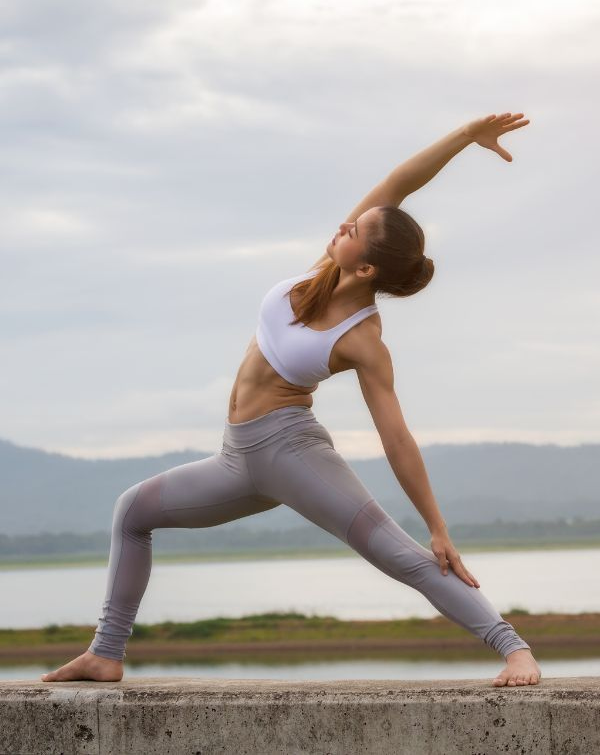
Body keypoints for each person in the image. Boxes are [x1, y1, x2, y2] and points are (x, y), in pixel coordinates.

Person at [41, 112, 541, 688]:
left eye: (354, 231)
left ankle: (514, 650)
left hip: (293, 455)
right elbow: (400, 183)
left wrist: (438, 527)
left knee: (401, 556)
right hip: (236, 460)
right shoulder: (323, 272)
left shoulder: (363, 340)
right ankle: (106, 654)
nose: (344, 225)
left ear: (368, 266)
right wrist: (463, 137)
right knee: (132, 512)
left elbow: (396, 438)